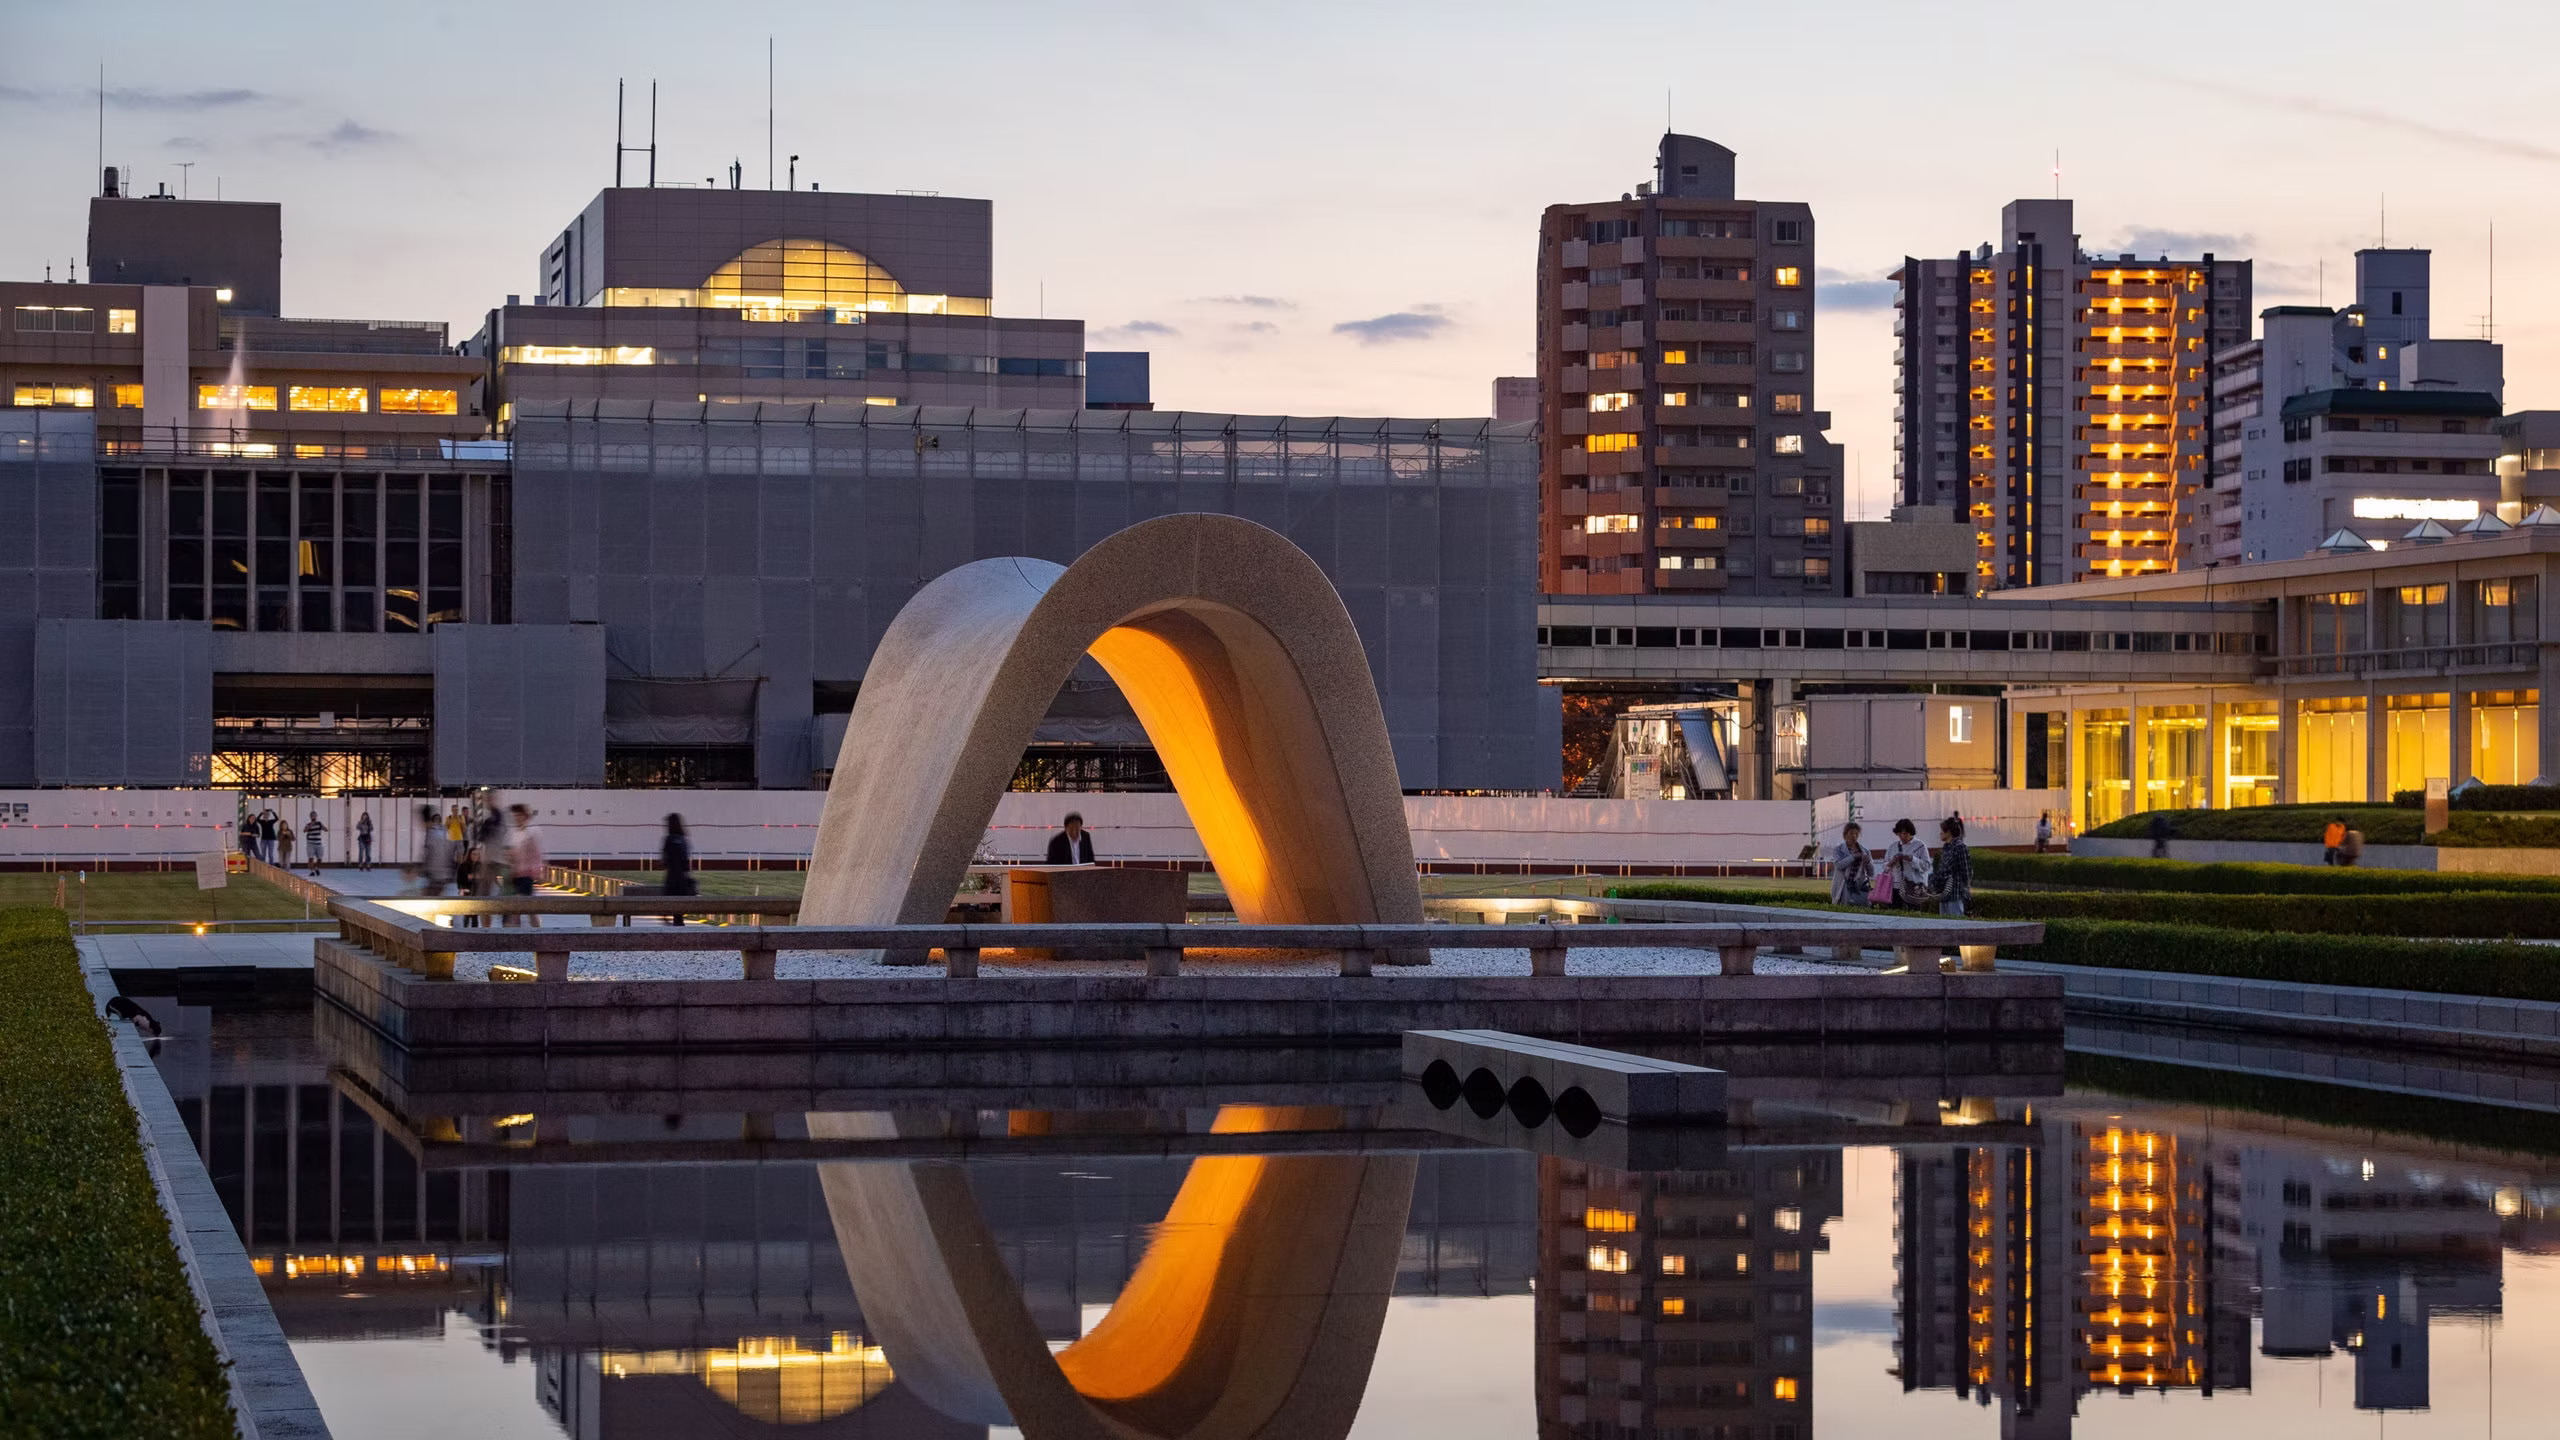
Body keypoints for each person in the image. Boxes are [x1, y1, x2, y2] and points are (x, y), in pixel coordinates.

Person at [504, 804, 544, 928]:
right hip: (516, 874)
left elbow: (537, 853)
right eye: (515, 816)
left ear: (525, 816)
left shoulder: (532, 832)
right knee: (528, 907)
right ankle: (535, 930)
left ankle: (516, 930)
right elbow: (514, 852)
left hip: (527, 874)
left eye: (519, 815)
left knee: (520, 904)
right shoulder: (516, 833)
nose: (516, 818)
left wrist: (538, 872)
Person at [1929, 815, 1974, 917]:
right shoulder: (1946, 848)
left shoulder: (1960, 847)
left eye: (1942, 830)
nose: (1940, 833)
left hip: (1955, 893)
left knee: (1956, 922)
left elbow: (1966, 871)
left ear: (1948, 832)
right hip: (1943, 893)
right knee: (1943, 924)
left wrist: (1966, 889)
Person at [1883, 819, 1933, 909]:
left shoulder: (1920, 845)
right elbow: (1885, 866)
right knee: (1894, 914)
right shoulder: (1892, 847)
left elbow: (1927, 866)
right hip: (1895, 886)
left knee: (1914, 915)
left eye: (1905, 833)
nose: (1902, 836)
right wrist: (1891, 862)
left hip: (1914, 886)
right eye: (1900, 834)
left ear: (1911, 832)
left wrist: (1911, 859)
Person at [1827, 822, 1876, 906]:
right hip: (1842, 886)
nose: (1853, 836)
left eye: (1856, 834)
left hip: (1858, 887)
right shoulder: (1838, 849)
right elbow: (1838, 866)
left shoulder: (1864, 851)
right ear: (1845, 835)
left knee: (1858, 910)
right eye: (1851, 833)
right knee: (1842, 909)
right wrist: (1853, 857)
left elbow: (1871, 873)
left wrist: (1868, 862)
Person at [660, 813, 697, 925]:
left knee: (667, 908)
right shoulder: (683, 840)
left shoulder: (668, 839)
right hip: (682, 880)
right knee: (678, 914)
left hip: (671, 878)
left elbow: (665, 861)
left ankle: (672, 928)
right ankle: (678, 929)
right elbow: (686, 862)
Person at [415, 804, 454, 897]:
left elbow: (438, 855)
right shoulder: (437, 831)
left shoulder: (433, 834)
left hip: (438, 875)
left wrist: (426, 870)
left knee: (428, 900)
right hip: (439, 875)